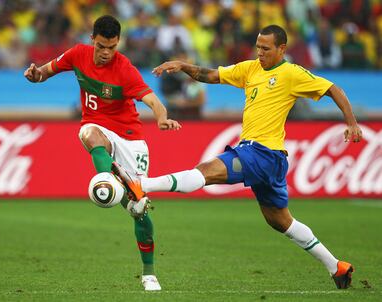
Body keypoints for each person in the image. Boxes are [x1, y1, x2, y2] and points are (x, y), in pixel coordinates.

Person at [114, 25, 363, 289]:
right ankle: (336, 266)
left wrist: (352, 123)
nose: (260, 52)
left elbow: (333, 88)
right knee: (280, 221)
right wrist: (183, 65)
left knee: (205, 171)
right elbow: (210, 74)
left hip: (263, 153)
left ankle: (141, 184)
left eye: (266, 48)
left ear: (282, 49)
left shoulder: (291, 73)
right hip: (266, 159)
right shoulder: (250, 68)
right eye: (258, 47)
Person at [24, 15, 181, 291]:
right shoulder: (77, 55)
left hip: (130, 140)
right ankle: (109, 181)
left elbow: (153, 100)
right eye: (101, 46)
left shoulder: (125, 70)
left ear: (118, 43)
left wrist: (161, 118)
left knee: (139, 209)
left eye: (111, 47)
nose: (106, 53)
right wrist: (35, 76)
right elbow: (44, 71)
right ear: (91, 41)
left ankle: (148, 272)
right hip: (98, 127)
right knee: (88, 133)